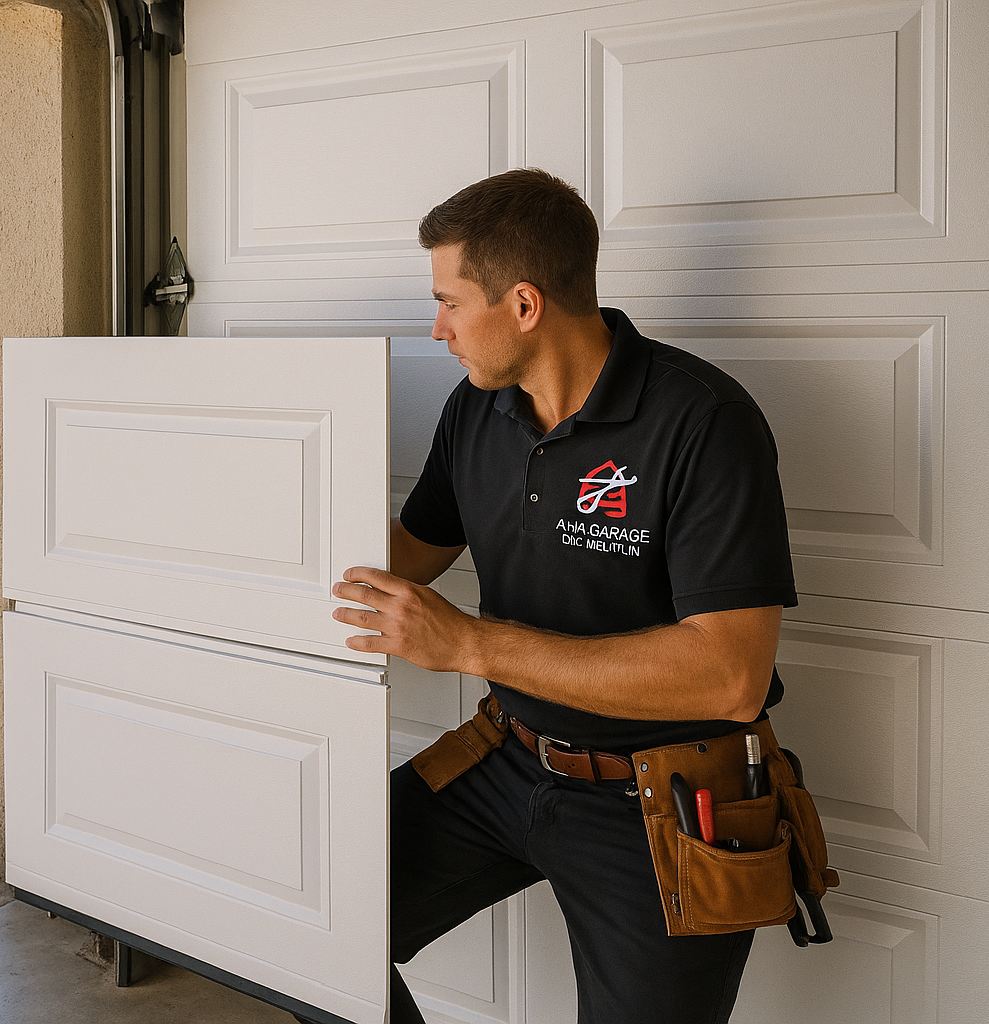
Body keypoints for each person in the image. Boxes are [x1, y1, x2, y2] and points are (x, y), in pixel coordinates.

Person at [331, 168, 797, 1023]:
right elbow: (409, 556)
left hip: (665, 799)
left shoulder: (702, 421)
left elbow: (730, 675)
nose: (436, 330)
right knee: (311, 922)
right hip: (510, 756)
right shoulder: (477, 412)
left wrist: (471, 646)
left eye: (449, 303)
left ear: (523, 304)